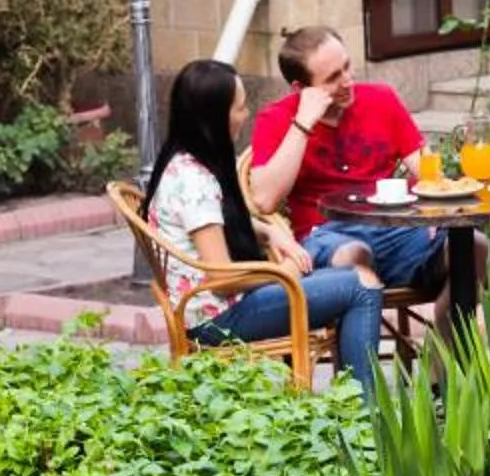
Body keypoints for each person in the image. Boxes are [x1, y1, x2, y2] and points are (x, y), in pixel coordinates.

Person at [146, 58, 386, 396]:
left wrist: (268, 232)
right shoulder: (194, 181)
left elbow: (215, 224)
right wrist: (282, 272)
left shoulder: (181, 161)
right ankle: (366, 416)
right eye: (240, 108)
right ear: (214, 117)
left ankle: (347, 404)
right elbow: (222, 278)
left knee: (338, 264)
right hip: (217, 319)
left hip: (211, 306)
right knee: (361, 286)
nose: (245, 115)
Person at [247, 24, 446, 295]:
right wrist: (303, 123)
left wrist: (436, 209)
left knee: (471, 248)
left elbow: (428, 172)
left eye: (347, 66)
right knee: (355, 255)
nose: (348, 80)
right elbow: (265, 199)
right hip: (325, 236)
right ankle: (362, 337)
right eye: (332, 78)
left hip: (391, 228)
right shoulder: (277, 119)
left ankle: (451, 338)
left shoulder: (381, 99)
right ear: (300, 88)